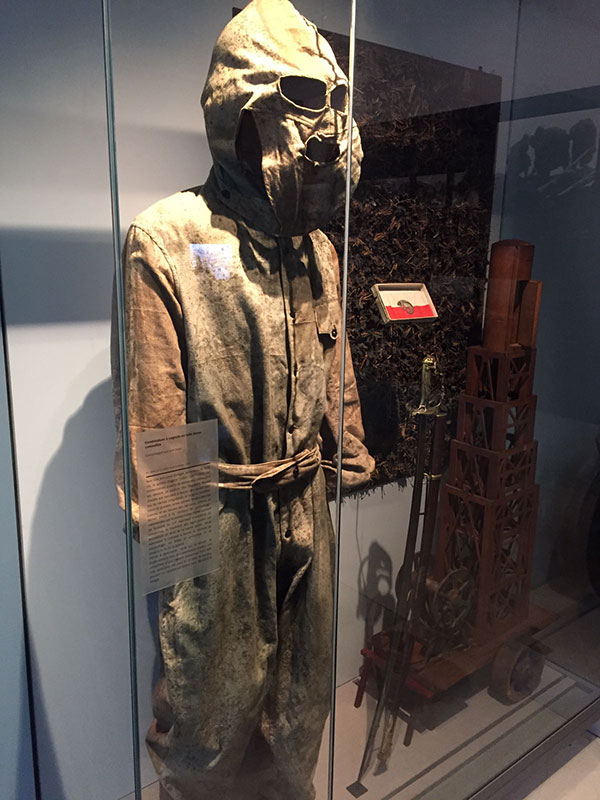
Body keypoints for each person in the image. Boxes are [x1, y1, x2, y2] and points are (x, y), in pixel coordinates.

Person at [112, 1, 374, 798]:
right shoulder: (168, 239)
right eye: (303, 101)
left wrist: (348, 446)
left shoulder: (316, 249)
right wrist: (179, 569)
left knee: (299, 707)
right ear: (241, 108)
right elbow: (158, 425)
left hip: (305, 504)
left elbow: (336, 364)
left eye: (335, 102)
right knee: (204, 717)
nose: (326, 132)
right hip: (219, 524)